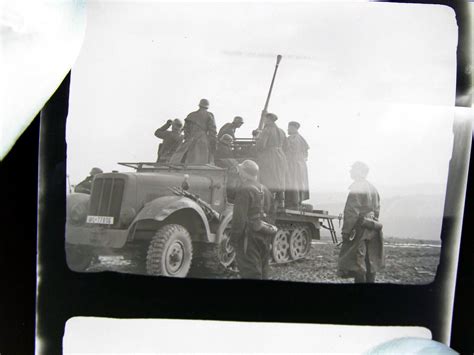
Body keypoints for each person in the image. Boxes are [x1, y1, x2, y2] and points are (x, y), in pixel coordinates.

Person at [338, 161, 384, 283]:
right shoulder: (373, 188)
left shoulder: (357, 187)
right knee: (370, 260)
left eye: (353, 169)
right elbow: (377, 210)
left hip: (360, 228)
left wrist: (346, 232)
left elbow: (351, 212)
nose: (350, 171)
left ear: (360, 172)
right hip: (373, 227)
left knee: (357, 261)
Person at [230, 160, 275, 279]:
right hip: (265, 234)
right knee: (263, 269)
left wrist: (234, 239)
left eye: (240, 171)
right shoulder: (265, 190)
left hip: (248, 236)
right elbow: (272, 214)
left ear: (244, 173)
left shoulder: (244, 190)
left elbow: (239, 219)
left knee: (250, 271)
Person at [169, 99, 217, 165]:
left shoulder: (191, 115)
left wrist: (187, 138)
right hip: (202, 140)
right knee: (201, 162)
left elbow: (185, 129)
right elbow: (213, 131)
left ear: (199, 105)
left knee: (182, 158)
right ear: (207, 106)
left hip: (190, 139)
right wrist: (213, 143)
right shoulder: (209, 115)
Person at [255, 112, 288, 208]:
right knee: (280, 179)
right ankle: (281, 202)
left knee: (266, 179)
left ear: (268, 120)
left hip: (269, 156)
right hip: (281, 156)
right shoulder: (281, 131)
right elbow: (286, 146)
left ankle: (266, 204)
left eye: (265, 119)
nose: (264, 120)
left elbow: (261, 145)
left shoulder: (267, 130)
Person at [284, 121, 310, 208]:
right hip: (299, 164)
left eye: (289, 127)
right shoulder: (300, 139)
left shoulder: (292, 139)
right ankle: (297, 202)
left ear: (294, 128)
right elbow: (305, 153)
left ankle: (294, 203)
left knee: (292, 182)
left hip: (294, 164)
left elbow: (286, 150)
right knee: (298, 183)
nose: (288, 129)